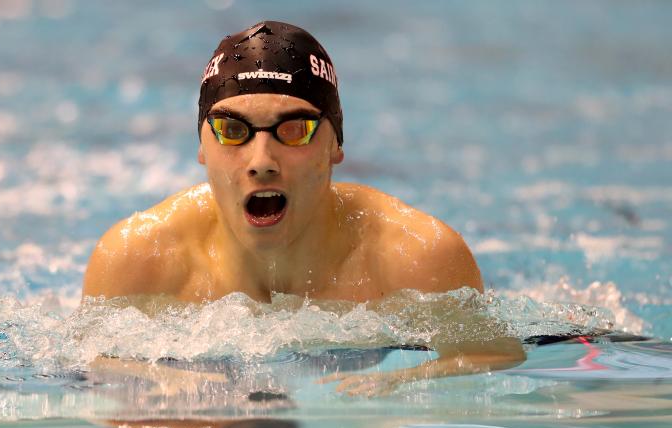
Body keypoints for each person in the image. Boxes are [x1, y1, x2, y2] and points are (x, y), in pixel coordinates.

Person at [83, 21, 524, 395]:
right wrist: (154, 379)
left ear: (335, 144)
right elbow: (88, 364)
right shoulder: (137, 258)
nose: (261, 162)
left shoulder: (415, 256)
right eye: (232, 130)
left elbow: (493, 355)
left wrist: (404, 383)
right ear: (202, 146)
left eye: (294, 130)